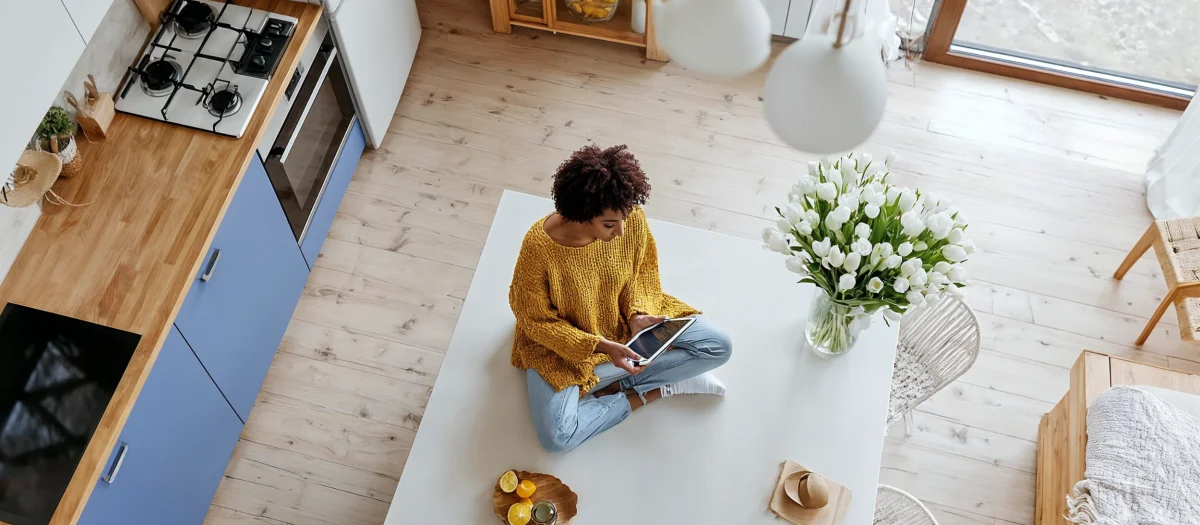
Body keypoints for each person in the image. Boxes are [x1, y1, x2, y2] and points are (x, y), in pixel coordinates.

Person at [509, 144, 733, 453]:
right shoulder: (539, 247)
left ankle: (612, 381)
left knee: (719, 346)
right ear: (581, 215)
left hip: (623, 323)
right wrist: (598, 346)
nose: (621, 231)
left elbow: (642, 271)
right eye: (609, 225)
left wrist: (637, 314)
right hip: (562, 346)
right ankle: (653, 390)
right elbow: (533, 319)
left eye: (624, 219)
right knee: (556, 437)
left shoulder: (626, 216)